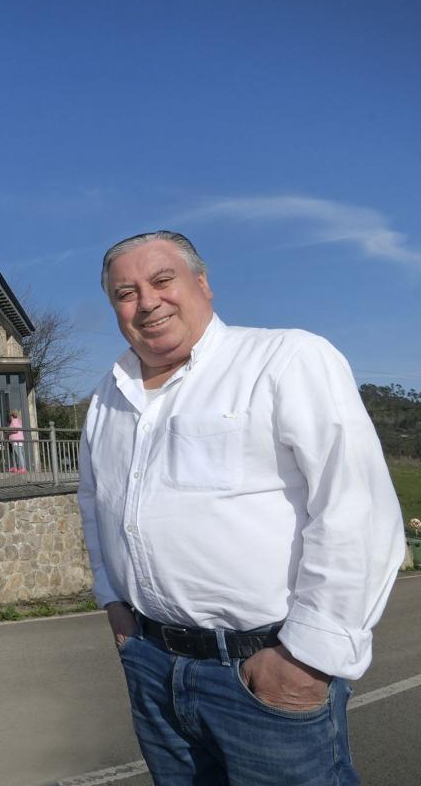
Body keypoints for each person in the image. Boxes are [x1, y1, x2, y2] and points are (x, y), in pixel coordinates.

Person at [78, 231, 405, 785]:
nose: (147, 301)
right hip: (153, 668)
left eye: (162, 281)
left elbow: (358, 510)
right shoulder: (110, 397)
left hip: (264, 671)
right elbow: (95, 505)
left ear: (201, 283)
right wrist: (113, 600)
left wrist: (307, 659)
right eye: (125, 293)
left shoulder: (285, 359)